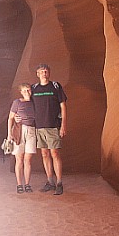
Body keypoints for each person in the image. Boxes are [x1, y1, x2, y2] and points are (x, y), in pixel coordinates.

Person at [31, 63, 67, 195]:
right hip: (39, 127)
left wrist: (63, 125)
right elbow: (26, 103)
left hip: (53, 126)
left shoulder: (55, 87)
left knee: (55, 154)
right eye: (41, 71)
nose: (44, 73)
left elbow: (63, 106)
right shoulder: (33, 88)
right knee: (44, 154)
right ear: (37, 74)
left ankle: (59, 183)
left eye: (46, 71)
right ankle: (49, 181)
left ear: (49, 73)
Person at [7, 83, 37, 194]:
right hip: (19, 131)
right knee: (19, 159)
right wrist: (9, 134)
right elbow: (10, 118)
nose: (27, 93)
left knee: (27, 159)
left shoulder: (34, 103)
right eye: (24, 91)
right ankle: (19, 184)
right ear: (20, 92)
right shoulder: (17, 102)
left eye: (28, 90)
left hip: (31, 130)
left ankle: (27, 184)